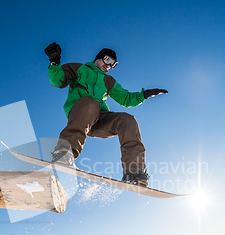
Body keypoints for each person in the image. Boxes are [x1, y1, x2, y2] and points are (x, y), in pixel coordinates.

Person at [45, 42, 167, 187]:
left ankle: (134, 173)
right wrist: (55, 62)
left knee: (127, 120)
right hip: (80, 114)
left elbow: (127, 99)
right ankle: (64, 155)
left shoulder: (109, 81)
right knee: (90, 103)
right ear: (99, 58)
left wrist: (145, 94)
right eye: (108, 61)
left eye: (113, 65)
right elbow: (58, 81)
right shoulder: (80, 69)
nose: (108, 66)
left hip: (99, 119)